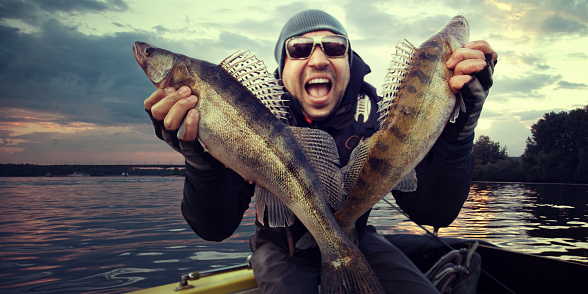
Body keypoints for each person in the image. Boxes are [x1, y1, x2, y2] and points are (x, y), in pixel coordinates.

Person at [144, 9, 497, 294]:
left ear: (349, 60)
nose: (317, 59)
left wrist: (457, 132)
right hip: (282, 248)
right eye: (299, 49)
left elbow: (435, 212)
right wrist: (202, 160)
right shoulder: (249, 118)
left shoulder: (383, 113)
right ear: (282, 69)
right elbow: (214, 228)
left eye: (333, 47)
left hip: (357, 236)